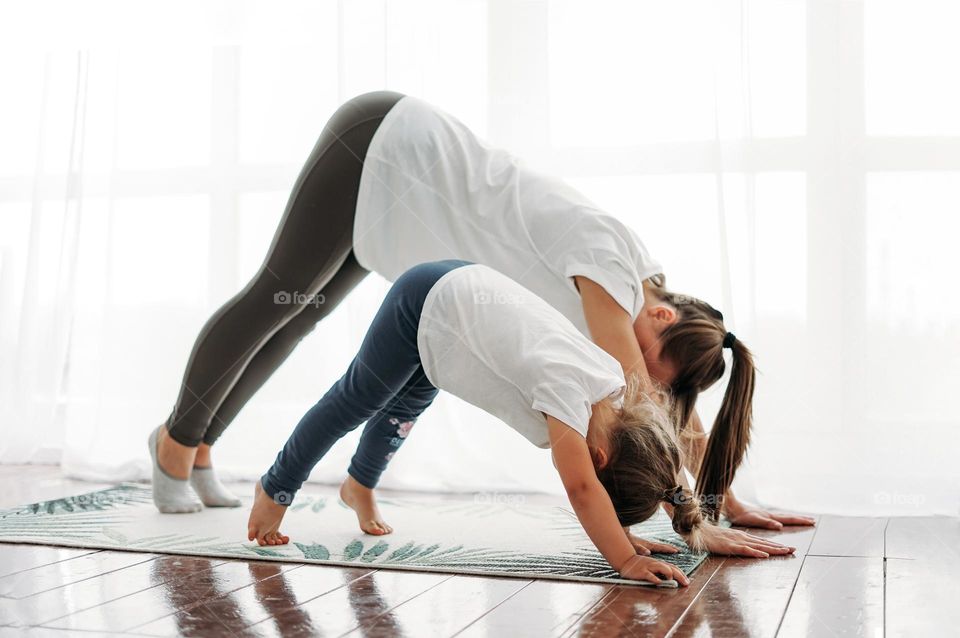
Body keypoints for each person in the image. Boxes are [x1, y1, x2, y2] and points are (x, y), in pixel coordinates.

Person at [151, 91, 813, 532]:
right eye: (648, 359)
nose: (636, 369)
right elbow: (646, 401)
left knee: (297, 317)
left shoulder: (629, 310)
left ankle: (201, 448)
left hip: (403, 214)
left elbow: (665, 410)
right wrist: (699, 517)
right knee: (276, 297)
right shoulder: (615, 271)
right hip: (385, 147)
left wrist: (721, 500)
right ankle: (175, 448)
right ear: (663, 316)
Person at [245, 260, 796, 587]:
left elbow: (657, 461)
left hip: (455, 323)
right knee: (359, 399)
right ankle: (277, 485)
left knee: (404, 408)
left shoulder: (612, 386)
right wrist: (622, 556)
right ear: (601, 458)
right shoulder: (566, 392)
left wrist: (680, 520)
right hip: (427, 300)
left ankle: (357, 486)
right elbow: (582, 488)